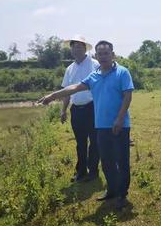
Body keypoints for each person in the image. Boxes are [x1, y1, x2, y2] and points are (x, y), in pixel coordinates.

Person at [38, 40, 134, 210]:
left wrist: (119, 118)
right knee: (106, 161)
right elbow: (74, 87)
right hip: (101, 126)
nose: (103, 57)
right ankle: (111, 190)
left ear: (112, 55)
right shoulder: (94, 76)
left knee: (121, 161)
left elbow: (127, 96)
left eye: (106, 53)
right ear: (96, 56)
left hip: (120, 125)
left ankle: (122, 194)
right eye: (100, 54)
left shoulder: (122, 72)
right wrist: (53, 96)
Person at [61, 35, 99, 182]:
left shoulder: (94, 64)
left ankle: (93, 171)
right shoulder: (69, 69)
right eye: (74, 46)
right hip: (76, 110)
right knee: (80, 143)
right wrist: (63, 110)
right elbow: (66, 92)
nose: (76, 49)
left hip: (93, 108)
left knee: (95, 142)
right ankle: (81, 171)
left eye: (79, 46)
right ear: (71, 49)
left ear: (85, 48)